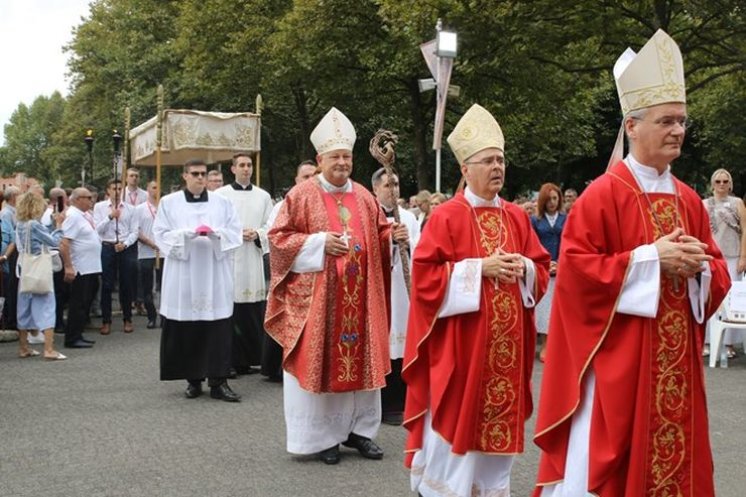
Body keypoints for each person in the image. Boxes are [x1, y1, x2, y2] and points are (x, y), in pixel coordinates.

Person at [533, 30, 731, 497]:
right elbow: (578, 272)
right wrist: (650, 260)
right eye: (666, 121)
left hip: (677, 362)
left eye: (682, 121)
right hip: (620, 363)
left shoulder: (688, 199)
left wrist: (700, 268)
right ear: (632, 126)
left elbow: (718, 269)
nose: (678, 130)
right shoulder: (603, 194)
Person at [402, 103, 550, 497]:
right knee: (459, 420)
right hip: (463, 348)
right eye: (487, 161)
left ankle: (489, 490)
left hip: (508, 351)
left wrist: (525, 268)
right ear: (466, 169)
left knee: (499, 429)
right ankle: (443, 489)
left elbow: (541, 265)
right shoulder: (447, 216)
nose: (497, 167)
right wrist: (477, 269)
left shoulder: (517, 218)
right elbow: (425, 278)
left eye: (501, 160)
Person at [266, 107, 403, 465]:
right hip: (318, 301)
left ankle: (361, 432)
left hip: (361, 302)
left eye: (346, 156)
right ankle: (323, 438)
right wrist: (317, 244)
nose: (342, 162)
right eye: (335, 156)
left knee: (364, 367)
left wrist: (393, 235)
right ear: (320, 158)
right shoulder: (302, 195)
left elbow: (378, 233)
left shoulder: (364, 196)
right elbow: (279, 240)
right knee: (322, 363)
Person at [153, 158, 243, 402]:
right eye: (195, 174)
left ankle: (219, 382)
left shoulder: (222, 203)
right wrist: (186, 236)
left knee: (217, 329)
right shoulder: (169, 203)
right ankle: (193, 381)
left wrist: (216, 235)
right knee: (188, 329)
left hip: (214, 274)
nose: (200, 178)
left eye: (203, 174)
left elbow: (235, 232)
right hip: (185, 276)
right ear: (185, 176)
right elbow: (159, 234)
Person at [215, 153, 273, 376]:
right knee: (231, 311)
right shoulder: (220, 195)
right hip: (231, 259)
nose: (246, 169)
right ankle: (228, 360)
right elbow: (215, 225)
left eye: (249, 165)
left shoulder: (263, 196)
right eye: (242, 165)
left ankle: (247, 359)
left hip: (252, 258)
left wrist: (258, 233)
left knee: (251, 311)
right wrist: (236, 233)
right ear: (233, 169)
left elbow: (271, 225)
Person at [371, 167, 420, 426]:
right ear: (375, 190)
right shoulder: (370, 216)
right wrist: (389, 240)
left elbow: (422, 250)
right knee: (383, 343)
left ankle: (401, 402)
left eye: (397, 184)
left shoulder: (410, 219)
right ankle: (382, 403)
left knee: (402, 342)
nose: (394, 190)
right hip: (380, 289)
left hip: (402, 289)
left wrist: (408, 244)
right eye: (388, 185)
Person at [262, 159, 317, 381]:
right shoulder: (284, 204)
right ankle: (279, 367)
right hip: (291, 272)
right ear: (296, 180)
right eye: (305, 177)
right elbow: (275, 237)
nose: (310, 181)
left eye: (314, 176)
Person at [15, 193, 67, 360]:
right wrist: (59, 226)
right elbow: (53, 242)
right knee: (46, 307)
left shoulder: (21, 224)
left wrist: (51, 225)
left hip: (25, 269)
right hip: (40, 270)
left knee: (24, 309)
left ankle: (24, 347)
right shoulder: (34, 225)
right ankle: (49, 349)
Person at [703, 168, 746, 359]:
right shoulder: (704, 204)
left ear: (730, 184)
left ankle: (728, 343)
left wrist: (743, 257)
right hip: (711, 256)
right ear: (712, 184)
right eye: (718, 181)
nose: (721, 185)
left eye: (725, 181)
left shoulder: (737, 203)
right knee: (709, 297)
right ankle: (707, 342)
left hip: (733, 255)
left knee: (732, 300)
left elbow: (745, 230)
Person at [93, 179, 138, 335]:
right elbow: (97, 229)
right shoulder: (99, 207)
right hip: (107, 247)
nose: (117, 191)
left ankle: (127, 319)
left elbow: (134, 231)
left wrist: (125, 244)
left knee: (126, 284)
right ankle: (106, 321)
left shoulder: (131, 209)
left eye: (120, 188)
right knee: (107, 285)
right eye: (114, 188)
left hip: (124, 248)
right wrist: (110, 217)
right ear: (108, 190)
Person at [60, 188, 100, 349]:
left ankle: (79, 333)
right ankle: (72, 337)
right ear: (77, 199)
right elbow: (64, 243)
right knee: (78, 303)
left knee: (85, 302)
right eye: (88, 197)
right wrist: (69, 266)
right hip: (81, 267)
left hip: (91, 266)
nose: (91, 200)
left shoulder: (85, 215)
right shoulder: (73, 217)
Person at [531, 183, 566, 362]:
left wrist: (561, 263)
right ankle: (545, 344)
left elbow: (569, 242)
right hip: (543, 269)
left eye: (555, 198)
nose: (552, 202)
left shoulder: (565, 219)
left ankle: (556, 345)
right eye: (549, 198)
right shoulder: (535, 220)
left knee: (558, 308)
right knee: (544, 309)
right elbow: (533, 243)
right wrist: (545, 263)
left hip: (562, 269)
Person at [133, 181, 161, 329]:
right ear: (148, 190)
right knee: (147, 286)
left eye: (159, 187)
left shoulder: (165, 207)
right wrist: (149, 242)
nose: (157, 190)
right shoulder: (139, 209)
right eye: (154, 187)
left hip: (163, 253)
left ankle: (165, 316)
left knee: (163, 285)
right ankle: (151, 315)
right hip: (146, 252)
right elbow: (136, 230)